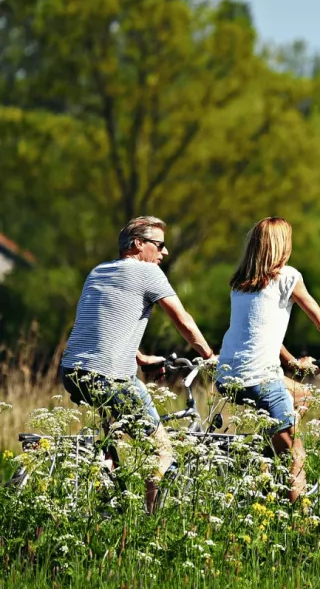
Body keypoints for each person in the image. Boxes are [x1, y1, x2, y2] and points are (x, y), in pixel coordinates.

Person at [215, 216, 320, 504]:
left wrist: (291, 362)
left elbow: (259, 331)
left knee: (302, 394)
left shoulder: (240, 283)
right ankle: (298, 521)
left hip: (227, 374)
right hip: (260, 377)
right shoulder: (288, 277)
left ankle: (268, 457)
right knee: (297, 456)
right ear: (282, 246)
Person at [60, 216, 215, 513]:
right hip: (109, 375)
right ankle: (151, 521)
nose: (165, 252)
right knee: (162, 451)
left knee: (111, 439)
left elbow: (103, 327)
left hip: (72, 371)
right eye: (159, 245)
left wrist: (141, 358)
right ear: (138, 244)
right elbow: (182, 320)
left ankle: (107, 503)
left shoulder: (98, 271)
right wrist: (209, 356)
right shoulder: (148, 272)